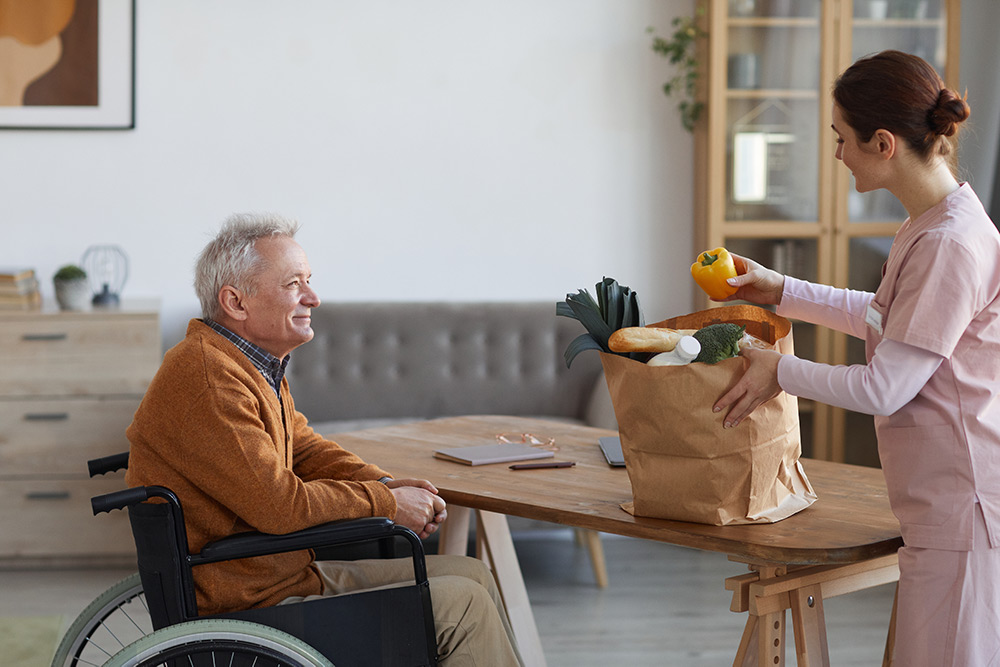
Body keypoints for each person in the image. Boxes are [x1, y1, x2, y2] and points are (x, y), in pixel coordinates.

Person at [125, 213, 523, 666]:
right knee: (463, 605)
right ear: (236, 302)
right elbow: (280, 505)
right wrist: (386, 504)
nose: (313, 297)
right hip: (248, 606)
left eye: (308, 281)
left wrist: (387, 484)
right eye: (294, 283)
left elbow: (307, 450)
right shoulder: (210, 378)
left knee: (473, 573)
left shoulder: (247, 364)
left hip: (285, 576)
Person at [714, 50, 1000, 665]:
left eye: (842, 139)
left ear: (883, 142)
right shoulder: (931, 223)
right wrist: (783, 289)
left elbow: (885, 386)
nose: (838, 154)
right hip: (944, 505)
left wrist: (777, 371)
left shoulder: (948, 243)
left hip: (962, 510)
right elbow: (883, 317)